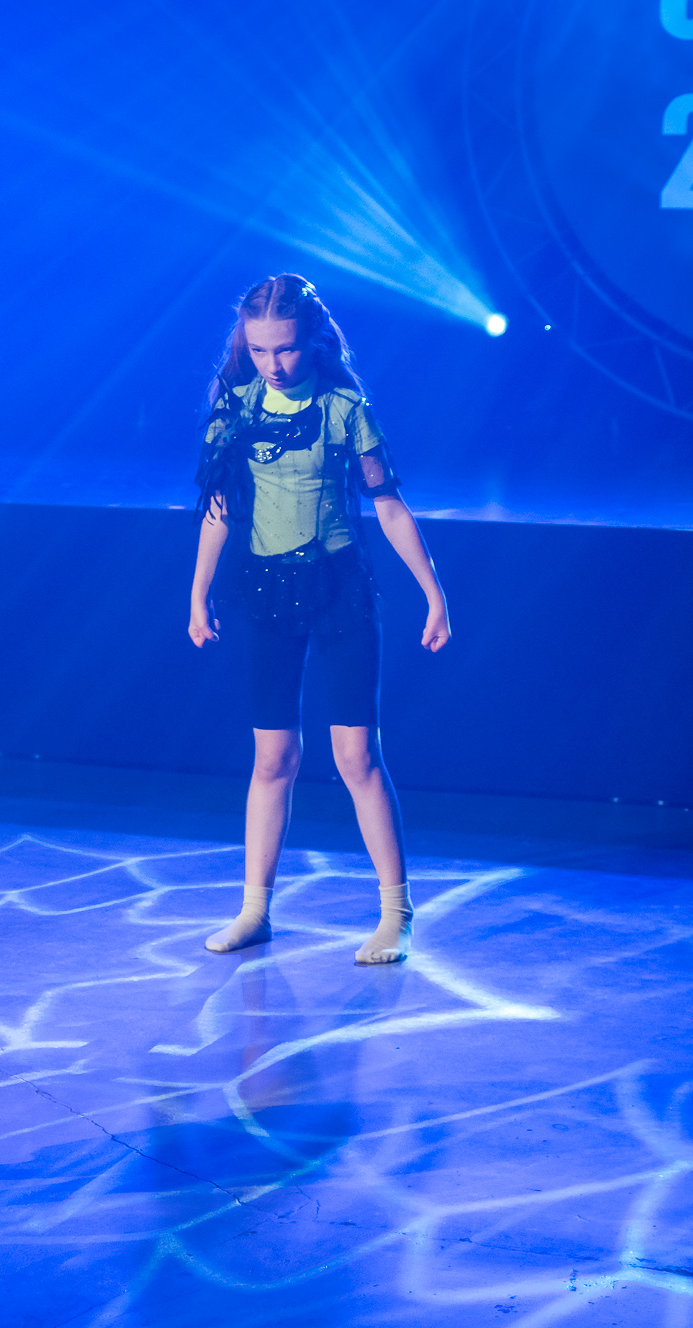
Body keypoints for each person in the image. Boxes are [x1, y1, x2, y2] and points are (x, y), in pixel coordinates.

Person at [187, 275, 450, 965]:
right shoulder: (234, 408)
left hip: (339, 590)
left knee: (356, 756)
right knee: (272, 757)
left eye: (286, 348)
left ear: (313, 341)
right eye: (260, 350)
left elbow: (388, 505)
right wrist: (198, 592)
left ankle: (395, 912)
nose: (274, 363)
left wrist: (433, 592)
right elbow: (219, 508)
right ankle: (254, 909)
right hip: (265, 592)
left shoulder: (345, 409)